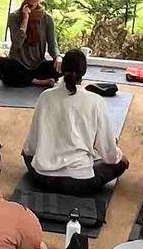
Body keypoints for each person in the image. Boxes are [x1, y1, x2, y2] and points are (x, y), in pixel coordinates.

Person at [23, 48, 128, 195]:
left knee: (26, 152)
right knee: (122, 161)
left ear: (62, 69)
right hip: (80, 182)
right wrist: (118, 153)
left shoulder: (45, 97)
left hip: (42, 178)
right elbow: (109, 155)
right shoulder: (95, 101)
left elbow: (30, 148)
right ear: (84, 72)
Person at [0, 0, 60, 86]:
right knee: (1, 64)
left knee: (64, 66)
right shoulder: (14, 17)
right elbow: (16, 44)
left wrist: (57, 57)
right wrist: (25, 19)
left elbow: (52, 44)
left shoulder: (47, 18)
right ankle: (37, 81)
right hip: (18, 64)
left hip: (38, 64)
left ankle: (27, 80)